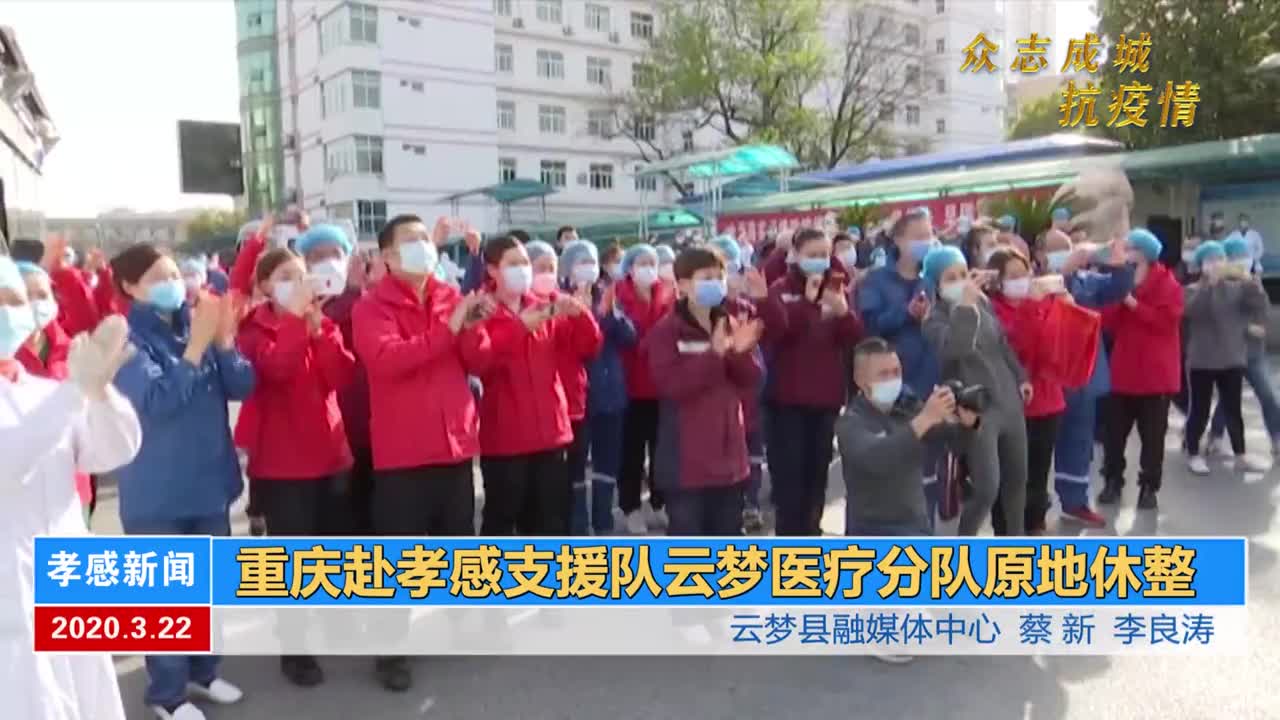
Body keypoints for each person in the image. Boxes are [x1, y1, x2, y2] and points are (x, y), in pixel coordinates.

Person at [110, 243, 252, 719]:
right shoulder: (125, 340)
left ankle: (203, 672)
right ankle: (167, 695)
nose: (174, 283)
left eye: (175, 273)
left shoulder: (197, 326)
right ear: (130, 286)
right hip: (157, 494)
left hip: (209, 484)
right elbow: (157, 402)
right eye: (158, 277)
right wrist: (194, 351)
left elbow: (243, 386)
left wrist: (224, 343)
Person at [352, 214, 491, 690]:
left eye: (425, 240)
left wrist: (474, 328)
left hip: (454, 444)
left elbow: (478, 359)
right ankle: (390, 650)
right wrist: (449, 330)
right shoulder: (372, 307)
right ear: (388, 257)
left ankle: (461, 625)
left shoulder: (449, 296)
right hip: (404, 452)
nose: (424, 248)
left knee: (458, 544)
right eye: (410, 241)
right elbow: (388, 361)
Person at [0, 256, 142, 720]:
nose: (9, 311)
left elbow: (111, 451)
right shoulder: (59, 396)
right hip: (10, 595)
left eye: (15, 300)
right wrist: (74, 391)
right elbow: (10, 460)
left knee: (87, 694)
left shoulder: (43, 391)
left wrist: (100, 394)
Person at [234, 246, 357, 687]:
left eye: (301, 275)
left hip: (329, 452)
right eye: (286, 276)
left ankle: (334, 621)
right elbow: (277, 368)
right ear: (265, 285)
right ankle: (294, 645)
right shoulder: (253, 329)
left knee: (333, 550)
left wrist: (320, 331)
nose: (297, 284)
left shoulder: (317, 320)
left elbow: (341, 376)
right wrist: (295, 323)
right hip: (282, 463)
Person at [476, 235, 600, 535]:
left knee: (550, 524)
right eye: (513, 263)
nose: (523, 269)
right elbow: (480, 363)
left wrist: (581, 315)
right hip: (505, 439)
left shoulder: (546, 307)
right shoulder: (481, 310)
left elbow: (588, 347)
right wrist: (519, 328)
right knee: (502, 522)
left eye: (524, 263)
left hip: (551, 434)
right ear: (493, 270)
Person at [648, 246, 764, 534]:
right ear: (683, 284)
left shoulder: (729, 323)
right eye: (706, 277)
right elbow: (672, 385)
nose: (715, 283)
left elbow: (752, 379)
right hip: (687, 465)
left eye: (719, 276)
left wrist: (739, 352)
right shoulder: (666, 332)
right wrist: (714, 354)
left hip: (730, 460)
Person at [754, 227, 861, 535]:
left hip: (825, 400)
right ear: (795, 255)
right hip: (785, 402)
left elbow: (853, 338)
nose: (819, 261)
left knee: (816, 481)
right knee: (790, 485)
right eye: (812, 254)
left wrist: (843, 313)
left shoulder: (836, 289)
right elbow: (778, 332)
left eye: (824, 254)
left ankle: (812, 539)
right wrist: (807, 303)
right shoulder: (779, 290)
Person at [922, 246, 1031, 536]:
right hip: (979, 408)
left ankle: (1017, 542)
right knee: (986, 488)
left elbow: (1001, 345)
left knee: (1017, 479)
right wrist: (966, 306)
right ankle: (966, 540)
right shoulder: (934, 319)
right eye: (950, 277)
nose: (960, 281)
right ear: (935, 284)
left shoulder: (983, 304)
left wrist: (1021, 378)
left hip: (1008, 400)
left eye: (963, 273)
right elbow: (957, 347)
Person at [1039, 227, 1133, 527]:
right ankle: (1034, 504)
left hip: (1082, 377)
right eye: (1055, 249)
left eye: (1067, 249)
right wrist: (1062, 273)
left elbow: (1117, 288)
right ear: (1040, 254)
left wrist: (1118, 262)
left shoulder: (1086, 281)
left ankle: (1075, 501)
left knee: (1079, 442)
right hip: (1046, 380)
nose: (1063, 255)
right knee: (1038, 446)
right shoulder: (1032, 283)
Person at [857, 208, 943, 520]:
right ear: (898, 240)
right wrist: (906, 313)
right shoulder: (876, 281)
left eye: (929, 235)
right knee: (895, 464)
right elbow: (869, 327)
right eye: (918, 236)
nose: (925, 242)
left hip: (928, 382)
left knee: (928, 471)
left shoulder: (930, 280)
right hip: (891, 386)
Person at [297, 223, 375, 533]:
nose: (328, 262)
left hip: (366, 425)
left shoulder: (365, 300)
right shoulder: (298, 305)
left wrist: (355, 290)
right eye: (318, 256)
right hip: (322, 434)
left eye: (336, 254)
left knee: (368, 517)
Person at [1099, 228, 1185, 509]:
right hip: (1123, 373)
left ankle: (1149, 486)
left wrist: (1133, 303)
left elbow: (1166, 322)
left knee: (1153, 439)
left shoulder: (1168, 284)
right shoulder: (1120, 282)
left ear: (1145, 255)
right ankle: (1112, 480)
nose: (1126, 255)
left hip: (1156, 377)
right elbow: (1107, 321)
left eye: (1130, 250)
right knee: (1113, 435)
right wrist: (1116, 296)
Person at [987, 248, 1069, 534]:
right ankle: (1005, 533)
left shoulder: (1045, 303)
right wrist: (1032, 308)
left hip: (1047, 401)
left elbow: (1057, 346)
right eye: (1013, 276)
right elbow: (1019, 348)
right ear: (997, 281)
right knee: (1008, 477)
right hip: (1011, 405)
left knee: (1037, 474)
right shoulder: (992, 311)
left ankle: (1034, 526)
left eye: (1025, 273)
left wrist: (1065, 305)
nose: (1022, 281)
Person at [528, 240, 605, 535]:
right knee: (543, 489)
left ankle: (574, 532)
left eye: (551, 267)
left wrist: (582, 314)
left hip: (571, 405)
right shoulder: (520, 307)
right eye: (540, 268)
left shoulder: (565, 303)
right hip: (537, 412)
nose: (547, 273)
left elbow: (590, 346)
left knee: (572, 478)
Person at [1181, 240, 1270, 475]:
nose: (1216, 264)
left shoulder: (1236, 288)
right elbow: (1192, 311)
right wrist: (1208, 286)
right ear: (1201, 264)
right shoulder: (1191, 290)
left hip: (1232, 358)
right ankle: (1193, 454)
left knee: (1233, 409)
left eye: (1220, 258)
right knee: (1199, 409)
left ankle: (1240, 456)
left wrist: (1251, 281)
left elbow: (1258, 304)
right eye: (1210, 260)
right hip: (1202, 360)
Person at [563, 239, 633, 534]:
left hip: (610, 395)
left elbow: (630, 337)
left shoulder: (606, 295)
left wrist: (610, 315)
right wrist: (582, 316)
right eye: (582, 262)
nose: (589, 268)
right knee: (576, 467)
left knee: (607, 464)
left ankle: (603, 522)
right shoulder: (559, 300)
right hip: (576, 401)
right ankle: (578, 526)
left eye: (591, 262)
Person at [616, 243, 675, 533]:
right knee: (631, 454)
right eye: (641, 263)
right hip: (629, 387)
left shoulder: (668, 293)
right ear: (629, 268)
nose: (648, 268)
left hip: (662, 386)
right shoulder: (618, 295)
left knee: (663, 452)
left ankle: (659, 502)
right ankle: (631, 507)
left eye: (652, 262)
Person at [1204, 235, 1280, 457]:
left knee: (1268, 395)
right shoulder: (1219, 285)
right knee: (1228, 398)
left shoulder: (1253, 281)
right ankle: (1215, 436)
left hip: (1254, 353)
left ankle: (1277, 437)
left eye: (1244, 256)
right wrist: (1245, 327)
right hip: (1229, 351)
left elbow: (1262, 309)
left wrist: (1259, 323)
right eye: (1236, 256)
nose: (1241, 261)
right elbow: (1219, 315)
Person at [713, 234, 769, 531]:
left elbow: (759, 357)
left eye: (733, 269)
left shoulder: (747, 308)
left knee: (753, 455)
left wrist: (763, 300)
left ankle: (751, 504)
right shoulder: (702, 313)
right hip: (720, 404)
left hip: (750, 398)